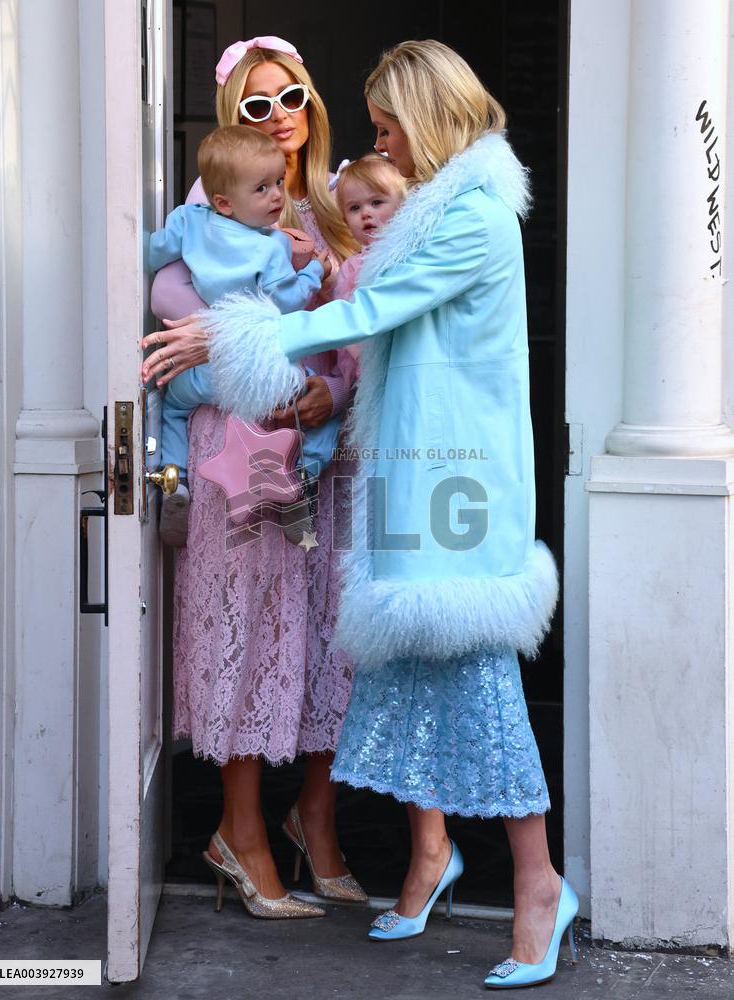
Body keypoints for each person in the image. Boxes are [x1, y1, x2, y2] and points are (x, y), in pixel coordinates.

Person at [160, 38, 576, 989]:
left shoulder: (473, 216)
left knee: (478, 679)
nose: (379, 142)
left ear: (427, 117)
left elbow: (367, 313)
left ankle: (539, 884)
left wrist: (235, 334)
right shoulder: (442, 208)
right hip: (414, 472)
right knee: (415, 668)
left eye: (389, 126)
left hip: (457, 479)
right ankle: (434, 857)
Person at [144, 36, 366, 919]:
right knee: (247, 632)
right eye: (256, 104)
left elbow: (364, 339)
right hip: (237, 448)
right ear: (231, 116)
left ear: (312, 102)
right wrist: (269, 372)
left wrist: (330, 394)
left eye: (292, 97)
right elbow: (179, 337)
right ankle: (239, 831)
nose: (279, 117)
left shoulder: (342, 203)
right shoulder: (209, 210)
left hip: (323, 452)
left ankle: (315, 818)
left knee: (326, 638)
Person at [149, 124, 340, 545]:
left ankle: (175, 479)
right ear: (224, 201)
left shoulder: (188, 221)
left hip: (203, 372)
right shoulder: (272, 247)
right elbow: (287, 302)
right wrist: (315, 270)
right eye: (262, 188)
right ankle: (303, 479)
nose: (277, 196)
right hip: (257, 373)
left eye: (278, 182)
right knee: (321, 411)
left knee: (172, 409)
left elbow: (152, 252)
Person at [330, 153, 406, 317]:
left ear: (403, 204)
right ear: (345, 220)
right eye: (354, 208)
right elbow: (346, 317)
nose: (365, 213)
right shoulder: (350, 268)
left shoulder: (412, 251)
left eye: (376, 202)